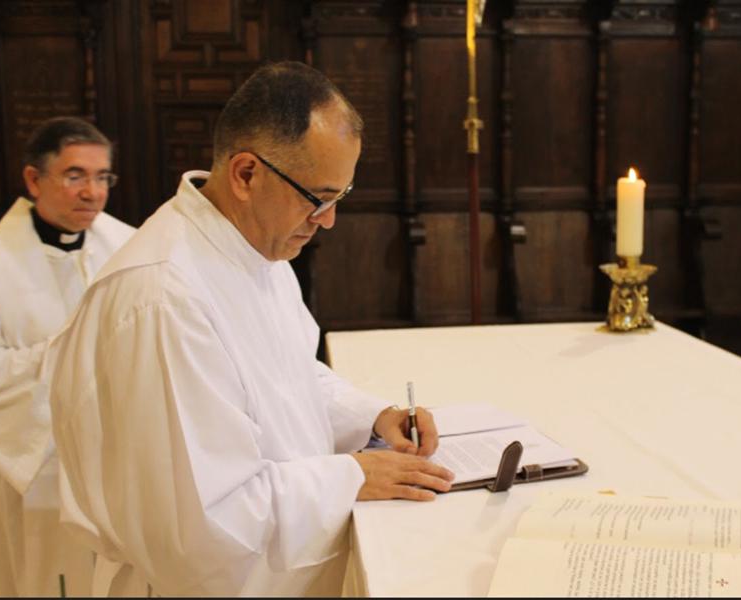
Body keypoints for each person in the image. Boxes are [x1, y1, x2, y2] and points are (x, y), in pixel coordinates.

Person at [49, 61, 454, 597]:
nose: (328, 219)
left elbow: (288, 376)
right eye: (318, 197)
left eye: (340, 197)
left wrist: (371, 419)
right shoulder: (164, 298)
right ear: (246, 174)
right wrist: (354, 476)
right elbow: (204, 519)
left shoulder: (255, 251)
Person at [0, 116, 135, 596]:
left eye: (102, 177)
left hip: (118, 456)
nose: (92, 192)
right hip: (35, 462)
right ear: (34, 180)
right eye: (75, 176)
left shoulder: (131, 247)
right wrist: (65, 357)